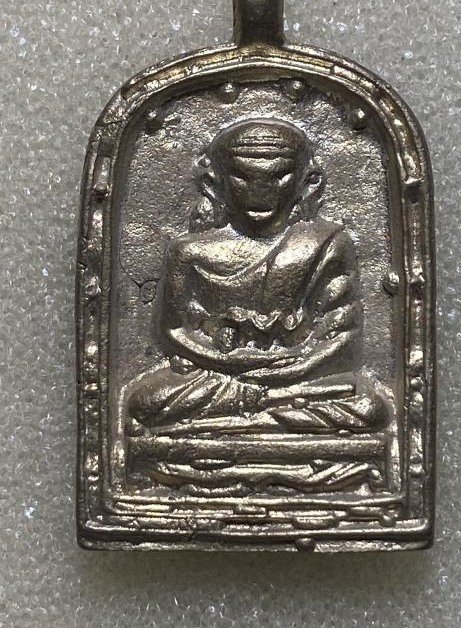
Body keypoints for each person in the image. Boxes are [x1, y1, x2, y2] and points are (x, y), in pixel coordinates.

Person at [125, 118, 388, 438]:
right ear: (213, 182)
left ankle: (245, 416)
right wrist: (231, 364)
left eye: (278, 176)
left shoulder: (328, 243)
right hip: (221, 375)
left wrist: (297, 367)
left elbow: (343, 334)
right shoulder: (189, 251)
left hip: (297, 374)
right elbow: (173, 330)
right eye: (242, 176)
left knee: (370, 407)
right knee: (146, 402)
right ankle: (272, 412)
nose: (260, 192)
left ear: (308, 181)